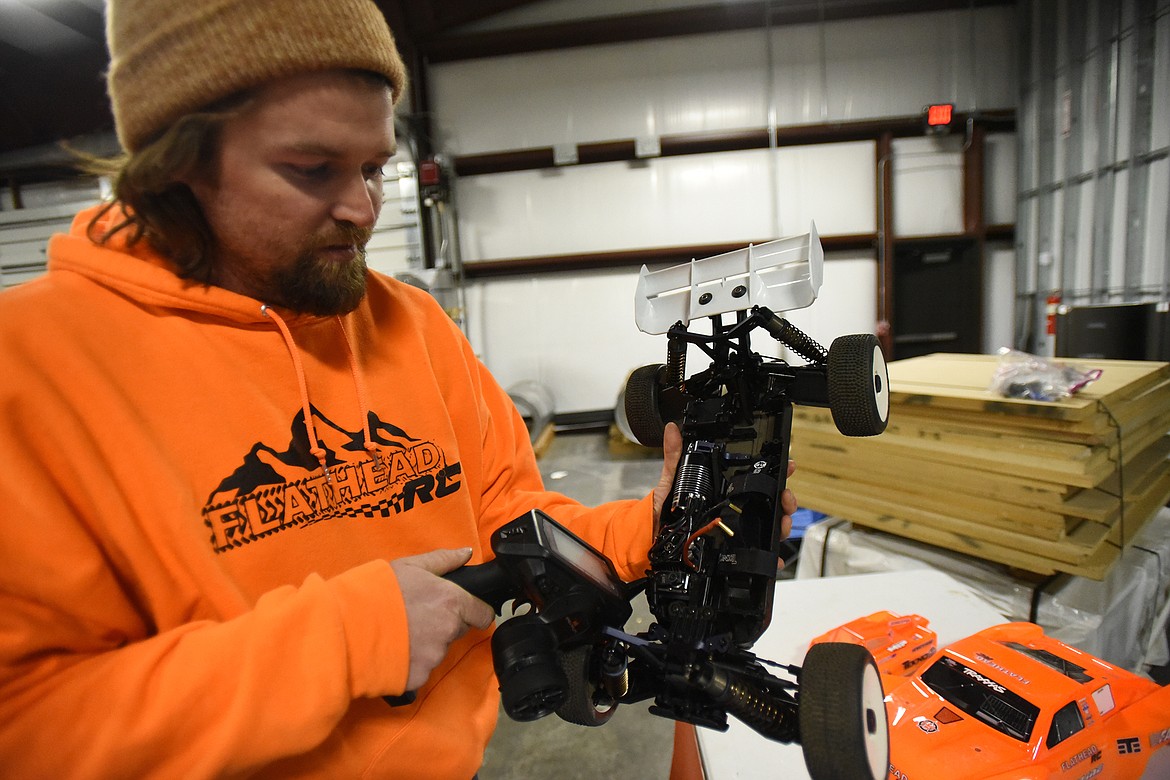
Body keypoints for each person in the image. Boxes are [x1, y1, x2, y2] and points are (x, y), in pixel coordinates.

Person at [0, 1, 796, 777]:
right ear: (176, 164)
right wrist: (348, 640)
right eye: (311, 169)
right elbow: (28, 726)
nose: (362, 209)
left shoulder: (406, 323)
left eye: (375, 167)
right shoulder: (32, 367)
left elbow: (510, 524)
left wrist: (654, 529)